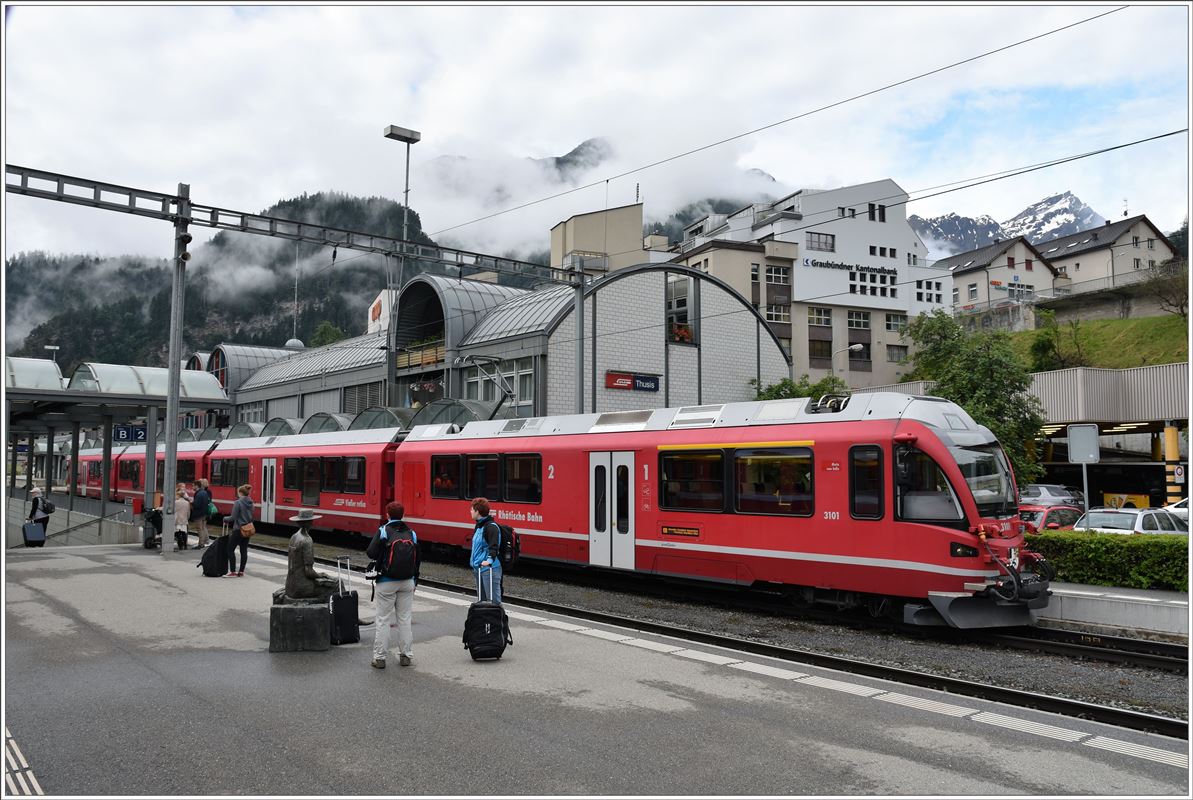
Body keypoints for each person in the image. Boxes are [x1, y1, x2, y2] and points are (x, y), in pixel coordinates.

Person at [366, 502, 419, 670]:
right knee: (404, 619)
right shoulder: (412, 533)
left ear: (387, 514)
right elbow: (418, 559)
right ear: (402, 515)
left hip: (386, 581)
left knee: (383, 620)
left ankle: (380, 658)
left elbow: (371, 552)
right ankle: (406, 655)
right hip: (407, 581)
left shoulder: (383, 531)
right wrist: (415, 581)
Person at [285, 509, 339, 601]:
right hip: (301, 588)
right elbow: (309, 572)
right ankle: (330, 613)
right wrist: (321, 575)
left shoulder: (294, 536)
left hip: (290, 586)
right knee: (337, 584)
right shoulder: (307, 540)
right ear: (310, 522)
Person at [468, 497, 502, 604]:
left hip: (489, 570)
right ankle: (485, 621)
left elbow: (494, 546)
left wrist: (489, 561)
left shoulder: (491, 527)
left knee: (494, 602)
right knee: (482, 602)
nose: (470, 511)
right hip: (479, 569)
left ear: (478, 511)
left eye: (472, 509)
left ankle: (499, 620)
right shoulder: (479, 526)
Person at [222, 484, 254, 577]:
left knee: (230, 549)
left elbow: (233, 517)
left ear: (240, 493)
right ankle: (241, 571)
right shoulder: (251, 503)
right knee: (243, 550)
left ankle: (232, 571)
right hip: (248, 529)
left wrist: (225, 518)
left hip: (238, 529)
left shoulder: (238, 503)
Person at [190, 479, 212, 548]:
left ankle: (201, 544)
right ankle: (203, 542)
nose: (192, 487)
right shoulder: (204, 492)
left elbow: (197, 505)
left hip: (198, 514)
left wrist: (192, 503)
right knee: (202, 528)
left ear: (197, 486)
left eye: (193, 486)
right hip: (204, 514)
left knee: (199, 529)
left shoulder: (199, 494)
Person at [173, 487, 192, 551]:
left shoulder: (176, 502)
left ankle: (180, 545)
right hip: (184, 520)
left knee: (178, 533)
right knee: (184, 533)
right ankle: (185, 545)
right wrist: (187, 518)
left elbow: (174, 511)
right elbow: (188, 512)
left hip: (177, 520)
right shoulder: (187, 503)